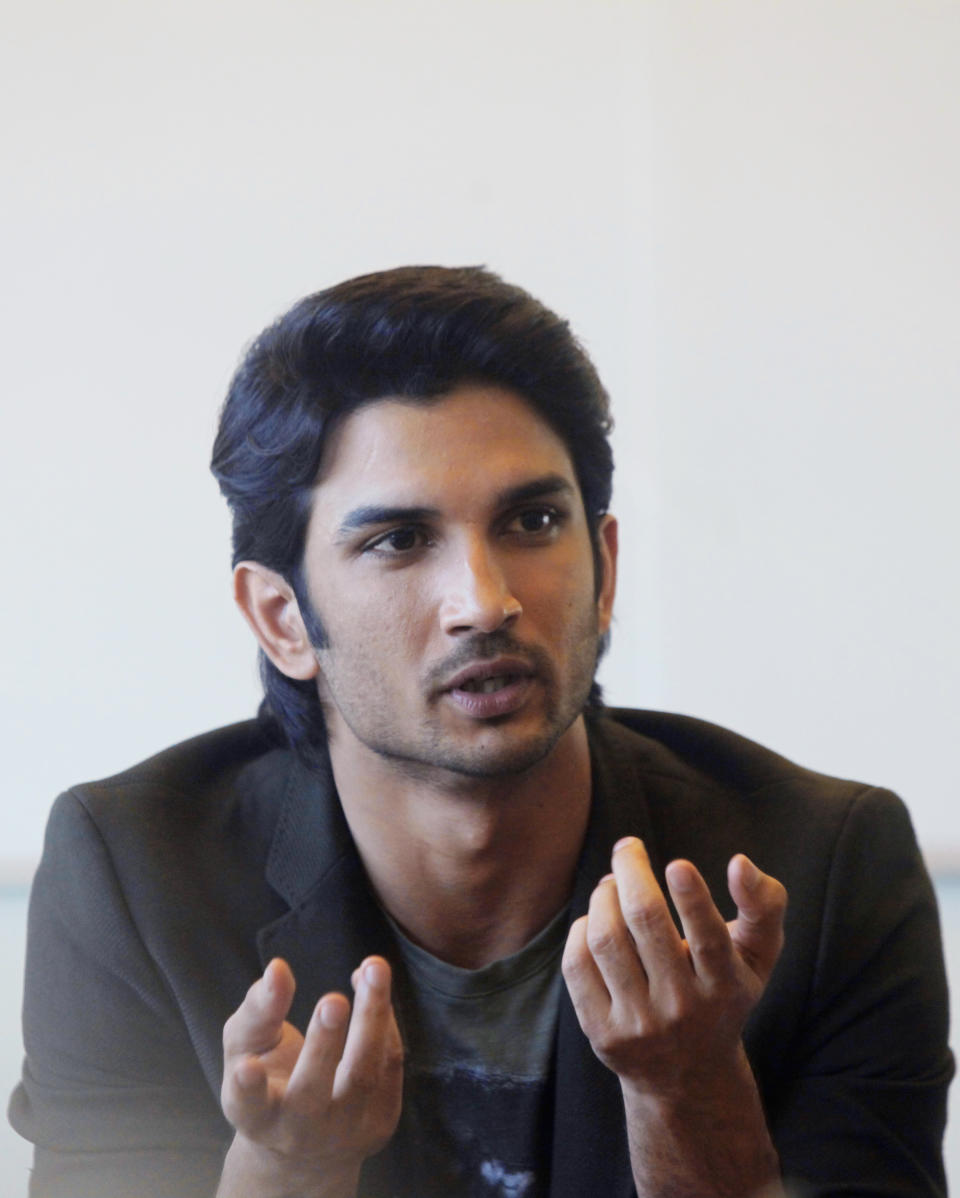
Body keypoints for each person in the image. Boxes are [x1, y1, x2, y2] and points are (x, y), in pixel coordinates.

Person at [9, 266, 952, 1198]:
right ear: (282, 619)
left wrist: (688, 1090)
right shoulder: (134, 873)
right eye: (399, 541)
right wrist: (288, 1172)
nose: (486, 602)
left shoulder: (822, 865)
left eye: (534, 521)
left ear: (604, 567)